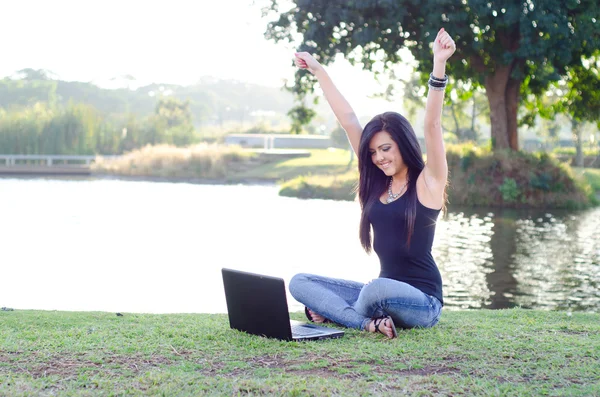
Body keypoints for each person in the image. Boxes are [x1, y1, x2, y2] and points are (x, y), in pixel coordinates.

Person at [289, 28, 456, 339]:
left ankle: (343, 314)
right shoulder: (378, 185)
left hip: (421, 302)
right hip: (379, 298)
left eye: (386, 149)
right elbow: (349, 120)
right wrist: (318, 70)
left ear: (404, 144)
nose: (378, 158)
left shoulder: (429, 182)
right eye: (373, 152)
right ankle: (367, 322)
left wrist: (439, 64)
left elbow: (432, 124)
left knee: (374, 290)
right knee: (300, 282)